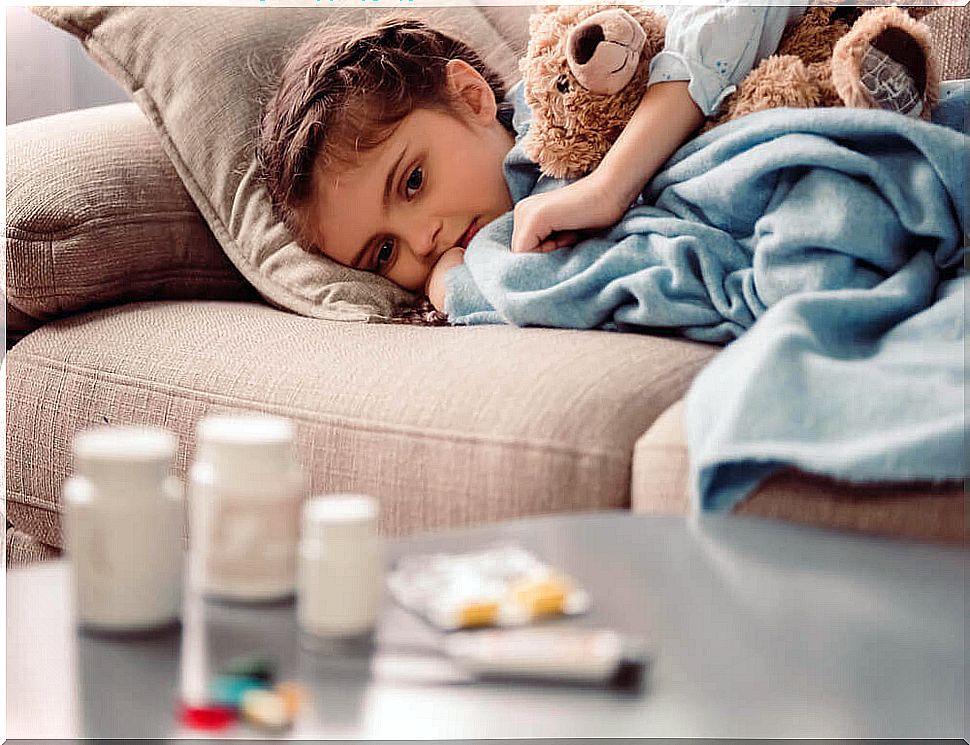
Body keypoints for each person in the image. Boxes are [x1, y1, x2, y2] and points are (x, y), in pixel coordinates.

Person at [259, 7, 807, 312]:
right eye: (383, 252)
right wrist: (452, 288)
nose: (421, 242)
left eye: (413, 181)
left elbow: (727, 12)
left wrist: (609, 184)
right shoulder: (504, 262)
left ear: (471, 98)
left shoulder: (579, 85)